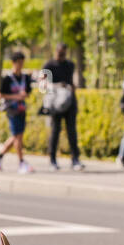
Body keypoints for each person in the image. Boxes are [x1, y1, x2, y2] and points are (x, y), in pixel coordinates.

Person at [41, 43, 82, 171]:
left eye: (63, 53)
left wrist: (71, 88)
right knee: (55, 131)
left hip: (69, 102)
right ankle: (52, 159)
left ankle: (75, 159)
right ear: (56, 51)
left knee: (72, 131)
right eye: (60, 53)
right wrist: (57, 86)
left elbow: (73, 82)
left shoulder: (70, 64)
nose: (61, 55)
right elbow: (42, 84)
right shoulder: (49, 65)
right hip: (55, 102)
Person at [0, 51, 33, 173]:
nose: (20, 65)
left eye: (22, 63)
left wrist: (24, 95)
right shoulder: (8, 79)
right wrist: (16, 97)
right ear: (13, 63)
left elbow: (28, 93)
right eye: (18, 63)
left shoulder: (25, 78)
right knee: (18, 137)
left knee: (16, 136)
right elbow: (0, 95)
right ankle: (21, 162)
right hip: (11, 109)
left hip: (21, 109)